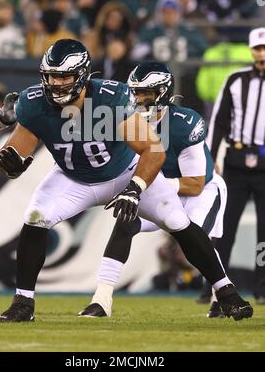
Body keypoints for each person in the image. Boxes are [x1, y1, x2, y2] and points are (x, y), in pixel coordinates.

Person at [0, 39, 252, 323]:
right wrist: (13, 167)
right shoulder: (33, 103)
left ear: (81, 75)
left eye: (64, 76)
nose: (56, 83)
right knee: (35, 217)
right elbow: (14, 158)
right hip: (73, 177)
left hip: (124, 171)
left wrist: (135, 188)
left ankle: (226, 293)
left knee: (178, 221)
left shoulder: (110, 97)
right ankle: (23, 303)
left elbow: (153, 149)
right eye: (51, 76)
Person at [78, 62, 227, 319]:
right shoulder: (121, 120)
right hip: (158, 188)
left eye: (145, 92)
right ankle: (101, 299)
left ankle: (221, 295)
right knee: (125, 223)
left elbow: (195, 184)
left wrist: (147, 183)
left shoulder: (183, 123)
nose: (137, 99)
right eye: (134, 92)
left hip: (199, 190)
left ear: (163, 92)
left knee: (195, 238)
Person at [207, 27, 265, 307]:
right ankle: (216, 286)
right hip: (236, 161)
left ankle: (262, 286)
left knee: (264, 232)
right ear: (251, 51)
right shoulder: (235, 80)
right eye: (258, 48)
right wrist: (210, 156)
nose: (262, 54)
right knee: (224, 226)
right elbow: (218, 120)